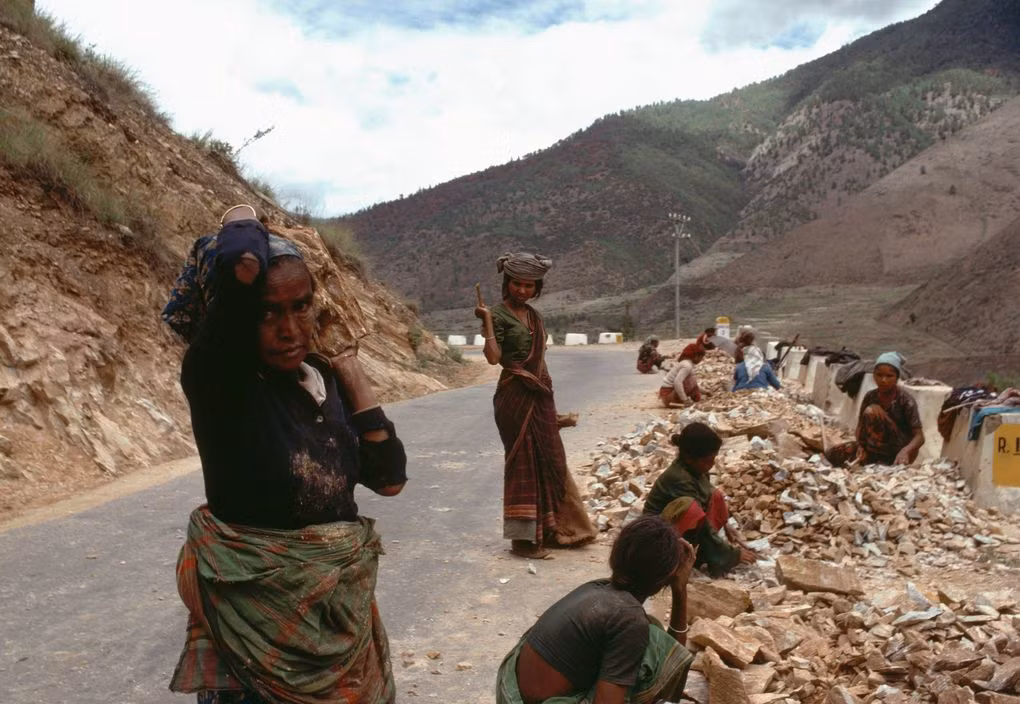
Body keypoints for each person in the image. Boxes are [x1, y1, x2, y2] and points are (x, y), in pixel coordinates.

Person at [168, 207, 408, 703]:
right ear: (233, 315)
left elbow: (389, 480)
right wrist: (243, 216)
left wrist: (351, 372)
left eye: (301, 307)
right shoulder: (222, 384)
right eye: (266, 312)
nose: (289, 329)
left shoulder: (320, 381)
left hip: (336, 618)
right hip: (259, 632)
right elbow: (238, 257)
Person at [496, 516, 697, 704]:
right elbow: (673, 659)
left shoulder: (599, 589)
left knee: (652, 632)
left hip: (509, 691)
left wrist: (680, 590)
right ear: (668, 574)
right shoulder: (628, 619)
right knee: (655, 654)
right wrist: (680, 589)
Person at [475, 252, 597, 560]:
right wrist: (488, 320)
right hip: (513, 396)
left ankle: (554, 529)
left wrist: (548, 397)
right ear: (508, 283)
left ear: (536, 288)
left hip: (539, 394)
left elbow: (541, 361)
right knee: (523, 463)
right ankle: (523, 541)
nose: (522, 291)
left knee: (551, 460)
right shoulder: (499, 315)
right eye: (517, 284)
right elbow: (493, 358)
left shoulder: (534, 316)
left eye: (529, 286)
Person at [643, 423, 756, 577]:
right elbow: (700, 520)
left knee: (715, 495)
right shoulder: (679, 478)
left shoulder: (696, 470)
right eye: (709, 460)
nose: (712, 464)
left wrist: (726, 525)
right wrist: (732, 555)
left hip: (679, 531)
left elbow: (709, 497)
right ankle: (681, 559)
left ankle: (701, 554)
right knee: (691, 508)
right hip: (657, 540)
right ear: (690, 458)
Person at [825, 351, 924, 467]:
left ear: (897, 377)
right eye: (879, 375)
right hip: (874, 448)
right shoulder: (870, 396)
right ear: (874, 375)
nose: (883, 380)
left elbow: (920, 437)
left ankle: (882, 461)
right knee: (834, 453)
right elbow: (861, 428)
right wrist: (861, 447)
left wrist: (905, 451)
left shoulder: (906, 400)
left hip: (898, 451)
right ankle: (870, 459)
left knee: (872, 411)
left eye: (889, 376)